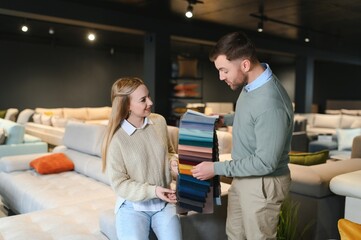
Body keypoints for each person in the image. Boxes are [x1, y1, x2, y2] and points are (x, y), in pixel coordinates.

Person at [191, 31, 294, 240]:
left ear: (245, 65)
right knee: (234, 235)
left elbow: (265, 163)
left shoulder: (270, 103)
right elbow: (251, 116)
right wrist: (225, 119)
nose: (221, 77)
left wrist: (215, 168)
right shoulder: (252, 85)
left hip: (263, 183)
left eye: (224, 70)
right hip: (245, 177)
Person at [102, 77, 182, 240]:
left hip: (164, 204)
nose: (150, 102)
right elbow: (120, 183)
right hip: (133, 207)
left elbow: (169, 152)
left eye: (149, 96)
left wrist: (173, 162)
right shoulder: (116, 139)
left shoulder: (159, 121)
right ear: (127, 105)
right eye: (143, 100)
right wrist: (154, 191)